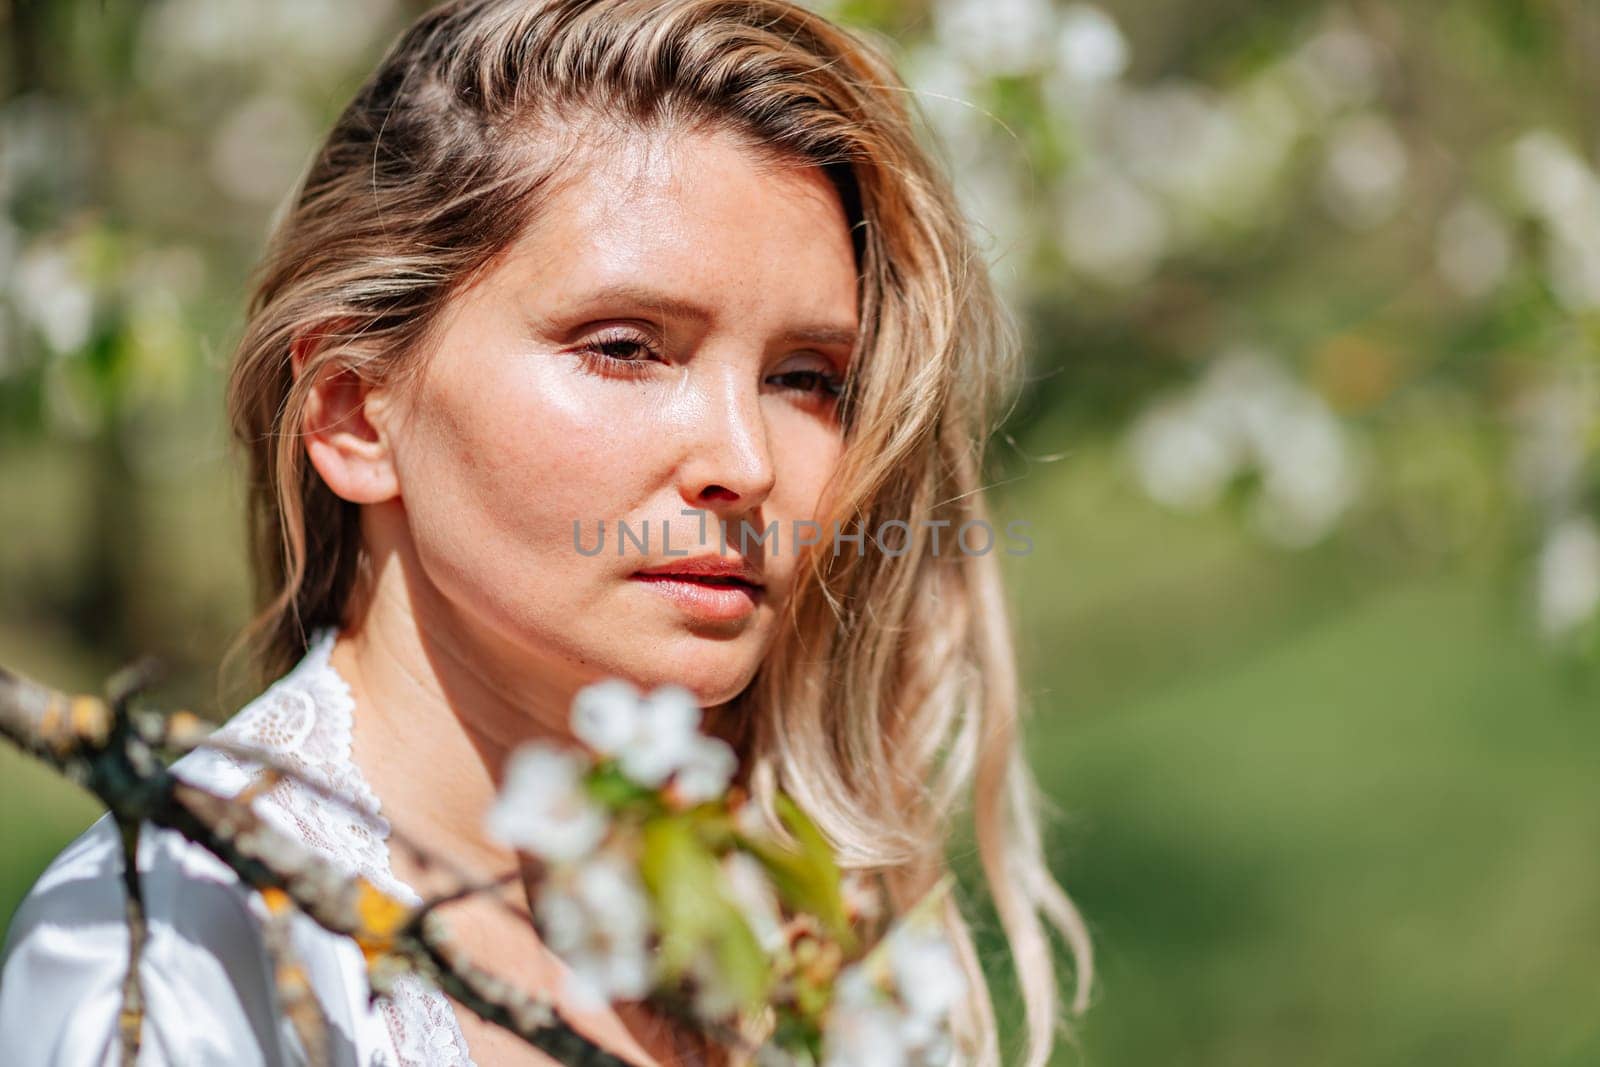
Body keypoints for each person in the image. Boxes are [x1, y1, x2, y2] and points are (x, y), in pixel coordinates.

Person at [0, 0, 1091, 1063]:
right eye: (624, 347)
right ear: (351, 411)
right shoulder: (172, 947)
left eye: (805, 378)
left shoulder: (796, 916)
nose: (746, 463)